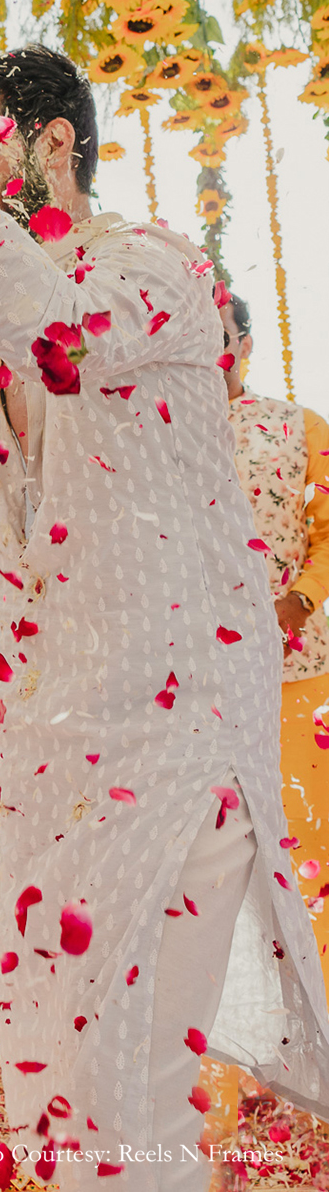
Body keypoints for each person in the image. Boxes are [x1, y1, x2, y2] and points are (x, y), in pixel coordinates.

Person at [0, 40, 329, 1189]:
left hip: (177, 721)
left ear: (56, 143)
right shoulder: (13, 300)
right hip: (61, 724)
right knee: (63, 1061)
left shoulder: (152, 268)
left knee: (134, 1068)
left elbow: (59, 337)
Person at [219, 294, 329, 982]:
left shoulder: (301, 426)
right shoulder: (162, 435)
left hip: (297, 672)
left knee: (306, 836)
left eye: (218, 334)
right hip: (199, 682)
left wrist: (298, 600)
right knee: (222, 854)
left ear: (247, 342)